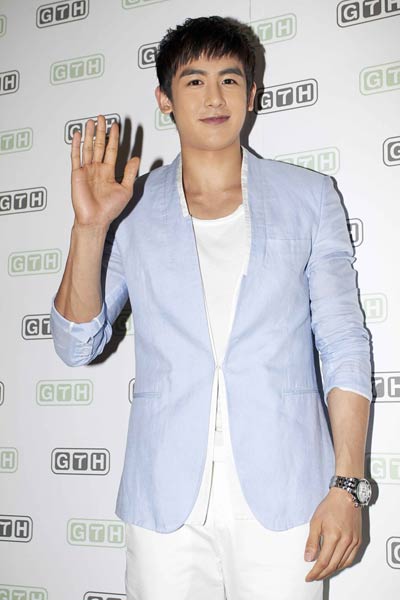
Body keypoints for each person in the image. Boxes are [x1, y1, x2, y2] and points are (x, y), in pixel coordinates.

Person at [50, 15, 373, 600]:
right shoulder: (131, 209)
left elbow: (343, 342)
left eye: (230, 79)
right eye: (194, 80)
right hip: (163, 500)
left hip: (287, 496)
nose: (214, 96)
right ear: (165, 99)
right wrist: (89, 228)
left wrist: (347, 485)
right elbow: (77, 344)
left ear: (252, 94)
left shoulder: (310, 197)